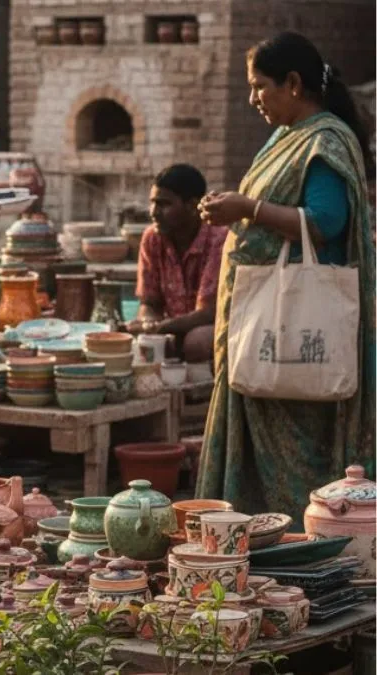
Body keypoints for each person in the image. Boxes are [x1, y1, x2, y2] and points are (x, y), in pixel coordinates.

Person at [196, 32, 375, 516]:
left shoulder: (325, 141)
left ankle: (305, 542)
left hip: (295, 324)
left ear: (293, 83)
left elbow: (323, 223)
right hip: (260, 319)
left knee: (298, 448)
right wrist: (232, 207)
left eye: (259, 86)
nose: (253, 98)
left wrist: (248, 207)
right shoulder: (285, 138)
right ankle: (251, 543)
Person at [126, 164, 225, 363]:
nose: (153, 212)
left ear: (191, 206)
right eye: (152, 203)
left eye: (164, 204)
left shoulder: (219, 238)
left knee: (196, 342)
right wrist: (149, 322)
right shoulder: (152, 238)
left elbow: (208, 313)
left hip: (214, 325)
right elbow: (149, 302)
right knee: (137, 340)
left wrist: (161, 327)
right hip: (172, 326)